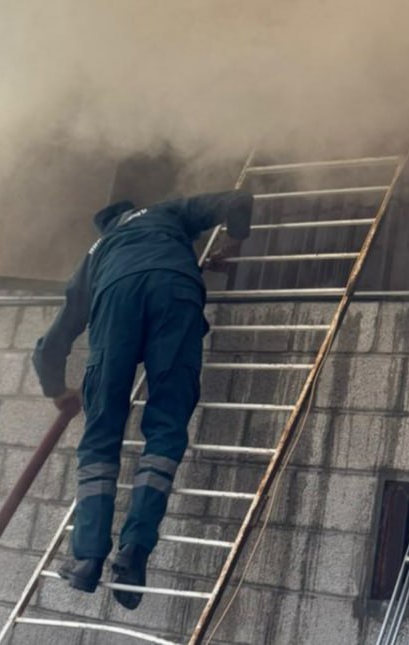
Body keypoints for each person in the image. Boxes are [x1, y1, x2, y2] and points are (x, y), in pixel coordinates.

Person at [32, 190, 253, 607]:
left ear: (107, 226)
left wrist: (57, 390)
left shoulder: (98, 253)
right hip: (176, 292)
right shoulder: (170, 212)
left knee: (101, 436)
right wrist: (233, 243)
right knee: (166, 429)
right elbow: (238, 199)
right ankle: (134, 551)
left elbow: (56, 336)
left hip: (115, 300)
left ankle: (87, 559)